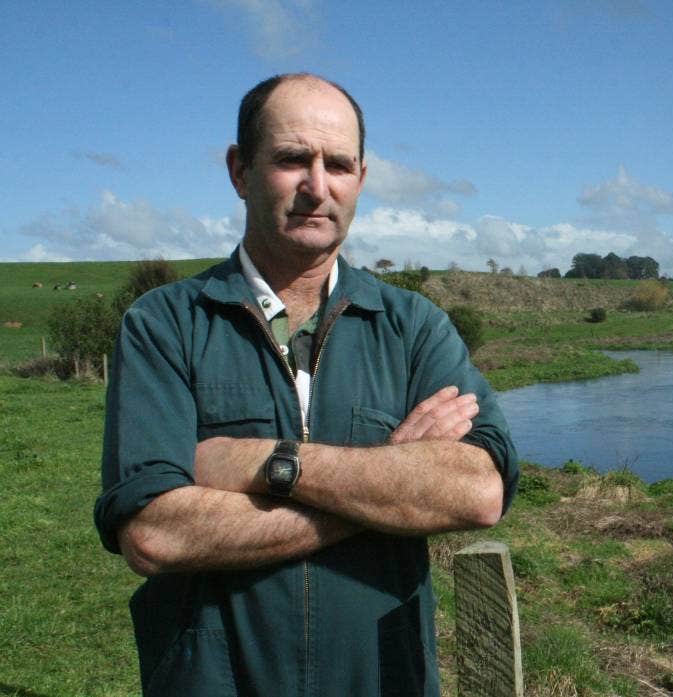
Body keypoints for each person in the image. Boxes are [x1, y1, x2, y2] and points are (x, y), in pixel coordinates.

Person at [93, 73, 518, 696]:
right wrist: (391, 483)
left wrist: (274, 463)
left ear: (362, 179)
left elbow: (479, 490)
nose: (317, 188)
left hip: (384, 679)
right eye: (293, 159)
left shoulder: (412, 327)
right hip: (215, 682)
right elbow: (155, 532)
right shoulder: (165, 324)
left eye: (339, 165)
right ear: (240, 170)